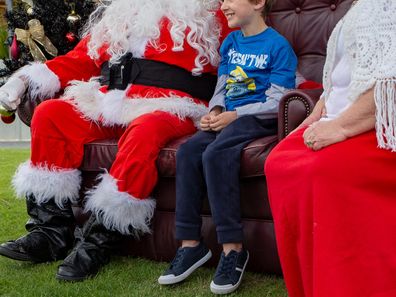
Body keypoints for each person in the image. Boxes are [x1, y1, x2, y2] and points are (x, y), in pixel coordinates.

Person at [0, 0, 232, 282]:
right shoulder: (121, 10)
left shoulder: (213, 10)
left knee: (145, 130)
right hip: (108, 101)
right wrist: (24, 79)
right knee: (51, 114)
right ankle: (50, 232)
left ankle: (98, 241)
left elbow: (245, 50)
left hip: (173, 104)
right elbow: (82, 59)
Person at [158, 0, 297, 294]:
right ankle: (190, 245)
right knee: (188, 151)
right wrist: (217, 111)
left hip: (256, 118)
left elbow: (278, 100)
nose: (224, 6)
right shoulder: (231, 43)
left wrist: (236, 116)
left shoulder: (278, 45)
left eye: (231, 0)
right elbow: (222, 87)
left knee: (216, 153)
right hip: (229, 117)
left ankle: (233, 250)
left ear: (258, 3)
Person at [265, 0, 396, 296]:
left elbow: (390, 84)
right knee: (278, 162)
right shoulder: (357, 8)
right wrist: (312, 120)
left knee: (322, 170)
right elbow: (334, 85)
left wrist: (340, 127)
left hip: (377, 129)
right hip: (340, 119)